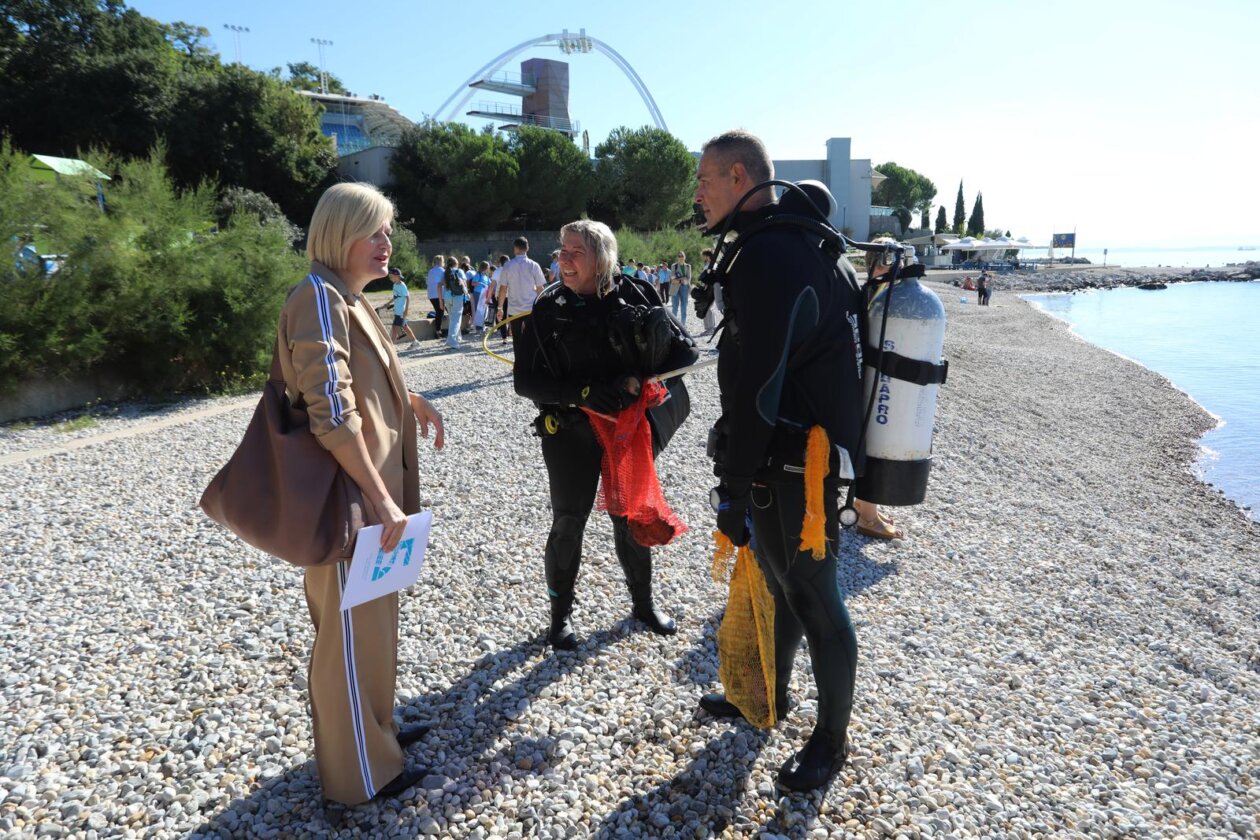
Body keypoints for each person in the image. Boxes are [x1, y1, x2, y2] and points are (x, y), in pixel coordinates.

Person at [695, 130, 861, 792]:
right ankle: (772, 696)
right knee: (785, 581)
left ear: (741, 178)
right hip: (804, 457)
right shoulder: (810, 247)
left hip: (799, 465)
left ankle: (831, 742)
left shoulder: (768, 257)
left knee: (815, 595)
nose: (697, 194)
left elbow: (756, 387)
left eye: (705, 179)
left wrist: (732, 486)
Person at [276, 182, 445, 804]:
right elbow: (333, 415)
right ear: (339, 231)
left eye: (388, 229)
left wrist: (411, 400)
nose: (387, 242)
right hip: (350, 501)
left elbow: (363, 382)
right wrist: (380, 498)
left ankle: (377, 731)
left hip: (368, 501)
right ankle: (358, 778)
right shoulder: (318, 297)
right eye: (374, 230)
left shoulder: (346, 296)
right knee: (346, 635)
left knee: (371, 623)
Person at [513, 220, 698, 651]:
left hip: (624, 431)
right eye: (562, 250)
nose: (564, 259)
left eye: (575, 251)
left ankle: (643, 605)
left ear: (603, 257)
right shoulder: (548, 307)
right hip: (571, 431)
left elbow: (685, 353)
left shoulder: (637, 295)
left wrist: (642, 380)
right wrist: (585, 394)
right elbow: (526, 383)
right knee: (568, 520)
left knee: (628, 515)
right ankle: (559, 617)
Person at [855, 238, 909, 540]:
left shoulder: (873, 292)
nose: (900, 265)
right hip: (869, 380)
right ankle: (868, 515)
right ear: (881, 262)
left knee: (871, 439)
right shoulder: (875, 295)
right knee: (871, 442)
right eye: (894, 259)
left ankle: (865, 505)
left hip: (872, 377)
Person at [496, 237, 547, 344]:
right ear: (527, 248)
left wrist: (500, 308)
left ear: (515, 248)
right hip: (530, 307)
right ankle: (530, 360)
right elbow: (540, 288)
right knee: (532, 338)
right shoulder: (534, 265)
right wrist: (543, 307)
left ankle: (519, 360)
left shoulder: (507, 266)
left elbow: (503, 289)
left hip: (514, 309)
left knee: (517, 339)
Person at [388, 268, 420, 350]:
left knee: (395, 327)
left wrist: (406, 310)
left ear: (397, 276)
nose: (390, 278)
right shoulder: (395, 285)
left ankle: (391, 346)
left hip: (401, 311)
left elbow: (408, 297)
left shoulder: (402, 286)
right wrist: (388, 303)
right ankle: (415, 342)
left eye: (391, 277)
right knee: (403, 326)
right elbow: (395, 296)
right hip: (397, 310)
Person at [442, 256, 467, 349]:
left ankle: (457, 337)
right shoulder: (459, 271)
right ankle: (452, 341)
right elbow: (464, 284)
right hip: (457, 297)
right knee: (456, 319)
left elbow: (443, 285)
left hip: (447, 297)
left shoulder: (445, 272)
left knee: (452, 318)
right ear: (456, 263)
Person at [425, 254, 446, 339]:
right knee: (440, 311)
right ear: (441, 262)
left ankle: (439, 329)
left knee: (439, 311)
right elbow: (444, 283)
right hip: (439, 294)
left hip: (431, 294)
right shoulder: (442, 271)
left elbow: (428, 282)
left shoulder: (431, 271)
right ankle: (438, 331)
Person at [671, 251, 692, 329]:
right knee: (675, 306)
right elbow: (672, 277)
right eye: (679, 256)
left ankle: (683, 325)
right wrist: (681, 280)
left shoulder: (688, 266)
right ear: (677, 257)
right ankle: (674, 324)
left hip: (685, 287)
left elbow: (689, 278)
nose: (681, 257)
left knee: (684, 306)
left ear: (685, 257)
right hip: (675, 287)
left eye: (682, 256)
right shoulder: (674, 266)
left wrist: (681, 280)